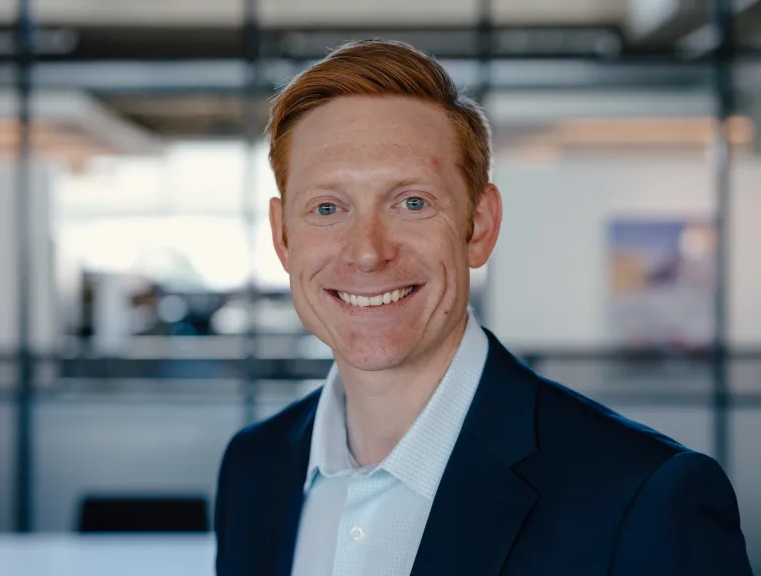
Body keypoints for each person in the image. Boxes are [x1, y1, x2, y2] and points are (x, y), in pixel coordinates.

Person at [214, 39, 752, 576]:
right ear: (283, 238)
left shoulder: (646, 497)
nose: (368, 251)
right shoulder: (254, 469)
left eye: (412, 203)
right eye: (327, 207)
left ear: (481, 226)